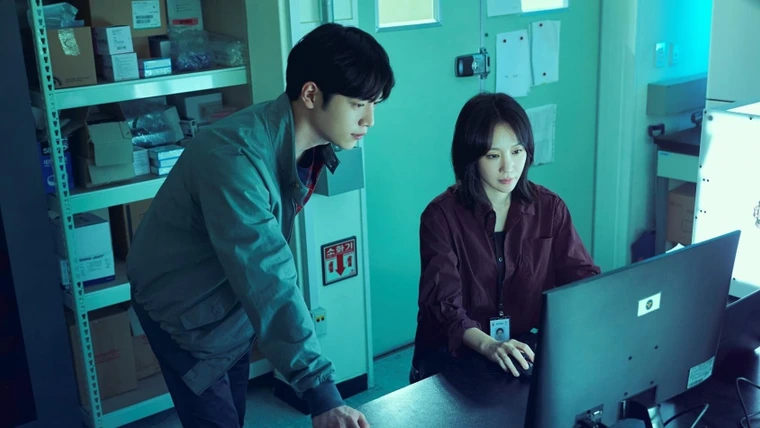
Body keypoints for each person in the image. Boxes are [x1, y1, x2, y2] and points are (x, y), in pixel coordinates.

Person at [126, 23, 394, 428]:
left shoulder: (303, 143)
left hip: (231, 302)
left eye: (374, 104)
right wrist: (321, 393)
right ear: (310, 95)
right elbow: (268, 274)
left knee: (235, 410)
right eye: (359, 104)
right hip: (182, 309)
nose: (370, 119)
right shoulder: (234, 157)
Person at [410, 92, 600, 383]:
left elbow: (581, 279)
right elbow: (443, 306)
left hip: (521, 352)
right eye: (493, 155)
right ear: (471, 157)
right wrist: (490, 345)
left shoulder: (549, 208)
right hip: (455, 358)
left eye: (517, 151)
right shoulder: (440, 217)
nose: (508, 167)